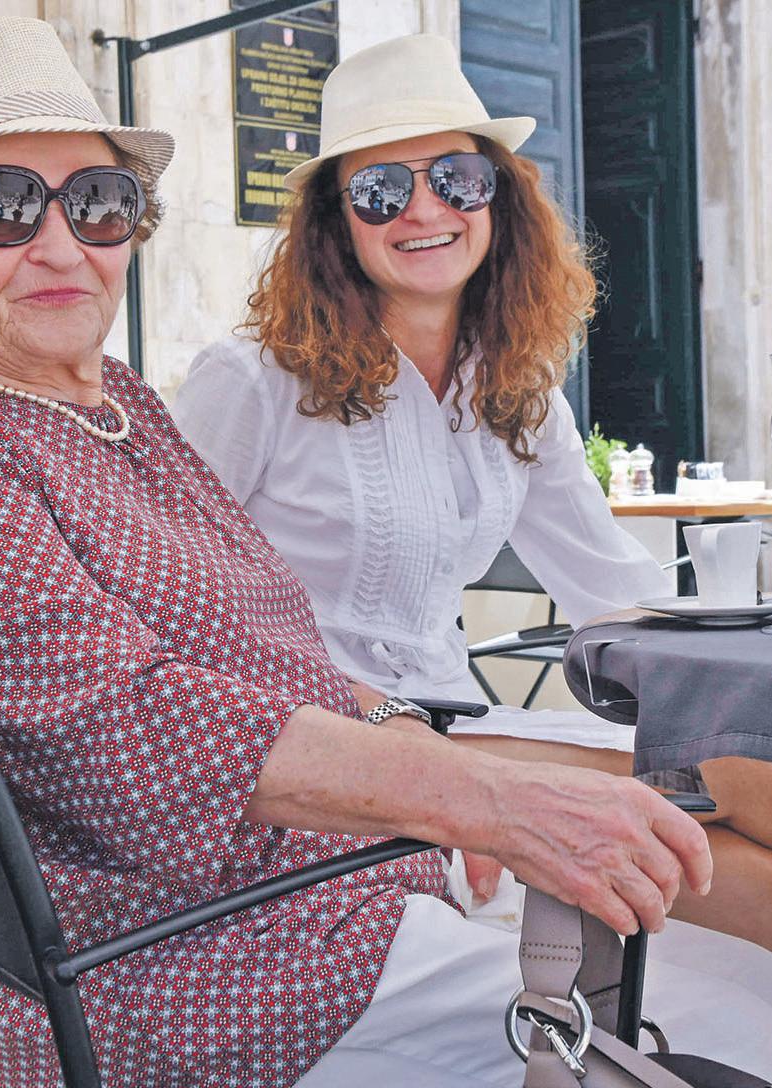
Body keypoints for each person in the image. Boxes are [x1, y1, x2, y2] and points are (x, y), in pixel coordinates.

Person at [0, 19, 761, 1088]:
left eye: (98, 204)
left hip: (332, 883)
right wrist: (488, 799)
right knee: (742, 1015)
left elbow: (267, 643)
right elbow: (130, 729)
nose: (61, 245)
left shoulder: (117, 409)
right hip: (213, 977)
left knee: (733, 892)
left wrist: (404, 733)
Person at [173, 33, 772, 951]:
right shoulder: (251, 380)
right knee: (733, 858)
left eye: (455, 177)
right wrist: (397, 737)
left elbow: (612, 590)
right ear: (335, 223)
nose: (424, 209)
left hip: (460, 719)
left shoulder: (515, 389)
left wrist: (735, 669)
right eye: (380, 190)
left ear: (497, 197)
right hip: (326, 745)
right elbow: (172, 612)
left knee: (752, 778)